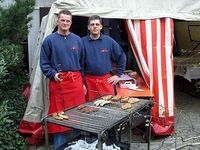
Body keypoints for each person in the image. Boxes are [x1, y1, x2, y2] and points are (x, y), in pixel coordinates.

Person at [40, 9, 85, 149]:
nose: (65, 23)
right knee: (58, 115)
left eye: (68, 20)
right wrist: (53, 74)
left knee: (78, 113)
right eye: (63, 20)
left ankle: (79, 144)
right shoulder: (49, 40)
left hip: (75, 82)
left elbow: (82, 62)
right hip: (58, 82)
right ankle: (59, 147)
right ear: (58, 21)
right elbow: (44, 63)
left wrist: (83, 82)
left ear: (71, 23)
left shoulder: (77, 39)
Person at [82, 15, 126, 101]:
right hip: (89, 82)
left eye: (97, 24)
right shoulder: (81, 42)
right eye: (92, 24)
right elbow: (78, 64)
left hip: (106, 81)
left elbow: (122, 56)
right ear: (88, 27)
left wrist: (118, 75)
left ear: (101, 27)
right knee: (90, 108)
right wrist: (82, 83)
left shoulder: (109, 41)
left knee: (109, 107)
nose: (95, 26)